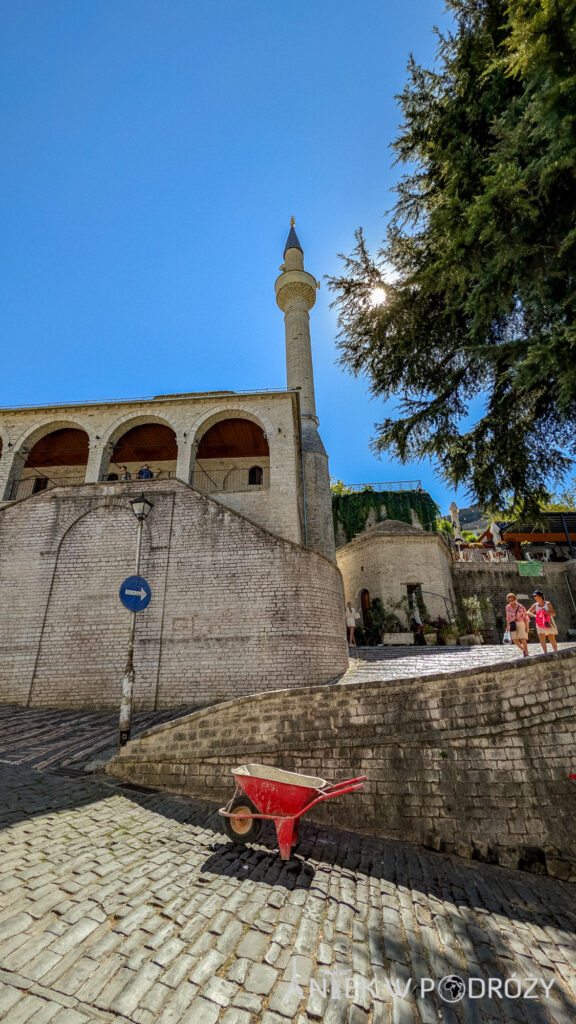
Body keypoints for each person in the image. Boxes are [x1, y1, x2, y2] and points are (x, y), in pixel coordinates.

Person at [505, 592, 530, 657]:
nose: (511, 601)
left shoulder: (520, 606)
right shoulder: (508, 607)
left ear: (515, 599)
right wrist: (508, 625)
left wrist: (527, 626)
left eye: (512, 600)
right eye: (509, 600)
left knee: (523, 638)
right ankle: (524, 650)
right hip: (512, 623)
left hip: (521, 623)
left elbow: (526, 616)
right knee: (514, 639)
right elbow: (508, 617)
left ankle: (526, 652)